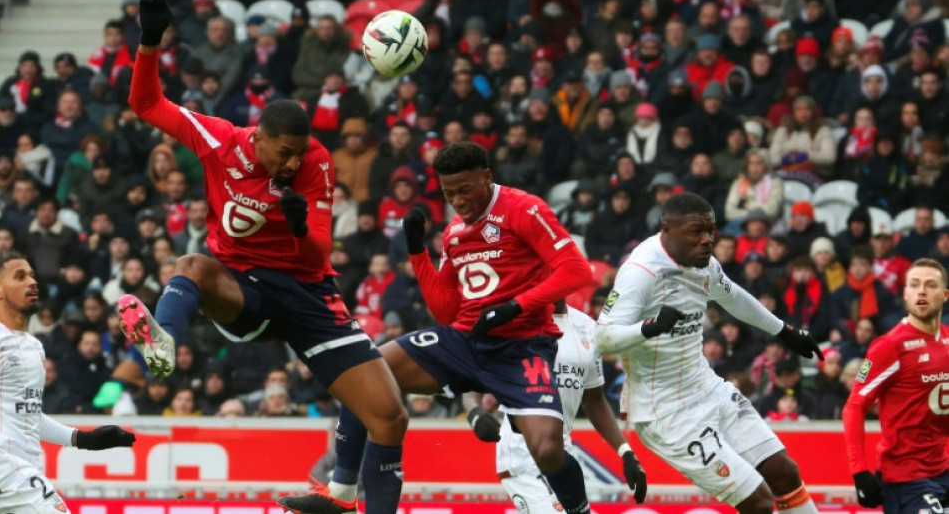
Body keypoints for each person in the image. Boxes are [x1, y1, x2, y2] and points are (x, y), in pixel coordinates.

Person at [121, 0, 409, 513]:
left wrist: (300, 227)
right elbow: (145, 104)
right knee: (191, 267)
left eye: (299, 152)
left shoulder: (316, 162)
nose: (293, 162)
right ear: (259, 140)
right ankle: (162, 341)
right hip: (247, 289)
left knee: (389, 417)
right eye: (284, 152)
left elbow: (320, 246)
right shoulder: (219, 139)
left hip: (309, 295)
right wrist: (149, 43)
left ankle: (343, 499)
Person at [282, 141, 594, 514]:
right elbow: (446, 311)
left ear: (487, 177)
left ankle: (579, 511)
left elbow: (577, 270)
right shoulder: (454, 233)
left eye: (465, 190)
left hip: (522, 347)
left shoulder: (524, 208)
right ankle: (342, 490)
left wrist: (515, 307)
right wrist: (417, 253)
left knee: (547, 450)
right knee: (363, 371)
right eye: (449, 194)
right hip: (465, 340)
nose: (458, 201)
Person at [596, 192, 824, 514]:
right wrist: (648, 328)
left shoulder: (704, 263)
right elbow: (602, 338)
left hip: (707, 388)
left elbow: (734, 298)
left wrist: (784, 331)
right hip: (666, 413)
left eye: (711, 231)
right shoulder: (641, 272)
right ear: (667, 229)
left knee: (784, 472)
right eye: (697, 232)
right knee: (758, 502)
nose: (708, 240)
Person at [0, 251, 136, 513]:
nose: (32, 281)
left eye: (31, 274)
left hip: (24, 469)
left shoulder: (33, 347)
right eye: (20, 277)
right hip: (7, 469)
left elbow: (28, 415)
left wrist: (84, 439)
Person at [483, 301, 648, 513]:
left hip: (561, 451)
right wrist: (477, 409)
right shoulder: (519, 322)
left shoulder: (588, 327)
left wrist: (626, 453)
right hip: (523, 450)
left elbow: (594, 401)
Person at [843, 259, 949, 512]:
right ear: (905, 294)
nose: (921, 291)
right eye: (914, 285)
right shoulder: (889, 346)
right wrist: (859, 471)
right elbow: (855, 406)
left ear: (944, 295)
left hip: (942, 470)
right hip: (905, 479)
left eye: (930, 285)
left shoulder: (946, 340)